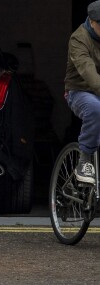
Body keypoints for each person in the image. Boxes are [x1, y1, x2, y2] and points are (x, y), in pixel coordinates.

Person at [65, 0, 100, 185]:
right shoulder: (79, 38)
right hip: (79, 92)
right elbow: (88, 72)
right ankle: (84, 160)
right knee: (96, 108)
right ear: (92, 21)